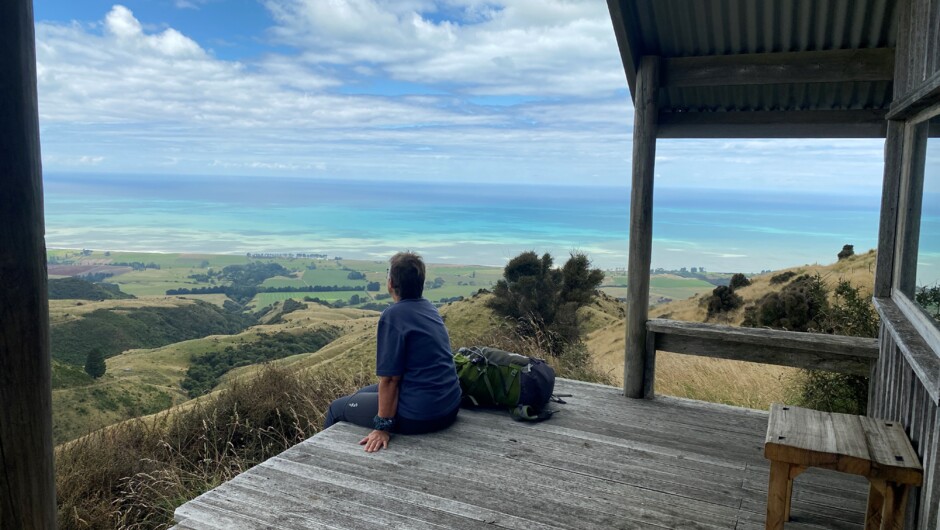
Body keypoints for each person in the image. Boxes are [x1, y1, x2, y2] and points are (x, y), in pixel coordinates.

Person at [323, 251, 462, 452]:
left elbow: (389, 380)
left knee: (336, 408)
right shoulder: (429, 307)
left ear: (390, 283)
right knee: (362, 393)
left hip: (422, 415)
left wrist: (382, 427)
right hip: (449, 405)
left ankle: (324, 458)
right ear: (421, 283)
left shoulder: (393, 315)